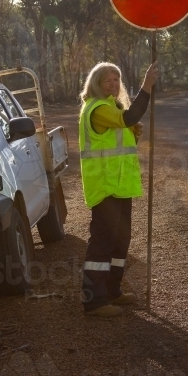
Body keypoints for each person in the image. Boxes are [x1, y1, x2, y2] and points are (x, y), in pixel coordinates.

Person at [78, 60, 158, 317]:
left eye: (116, 79)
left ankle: (112, 290)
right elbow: (129, 117)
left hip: (120, 186)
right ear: (96, 85)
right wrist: (146, 87)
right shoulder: (98, 108)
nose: (113, 84)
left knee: (120, 240)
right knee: (103, 242)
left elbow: (123, 134)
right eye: (107, 80)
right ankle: (93, 300)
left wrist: (133, 135)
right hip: (105, 187)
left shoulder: (113, 106)